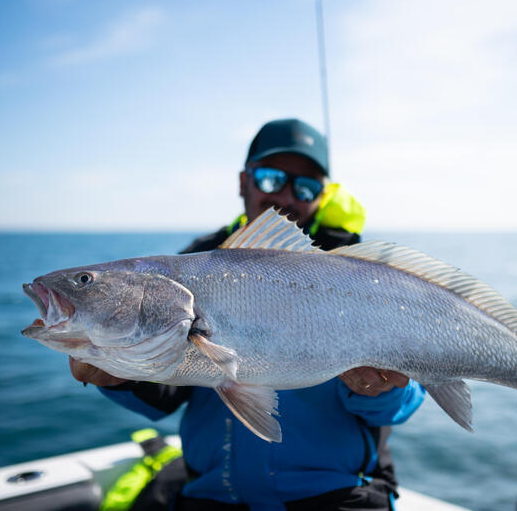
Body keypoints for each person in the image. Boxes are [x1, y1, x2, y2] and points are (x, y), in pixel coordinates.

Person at [71, 118, 426, 511]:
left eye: (306, 187)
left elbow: (406, 400)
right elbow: (166, 394)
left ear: (322, 196)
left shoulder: (359, 274)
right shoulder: (194, 262)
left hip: (338, 495)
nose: (286, 198)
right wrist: (120, 376)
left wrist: (382, 388)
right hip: (214, 495)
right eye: (272, 179)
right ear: (244, 181)